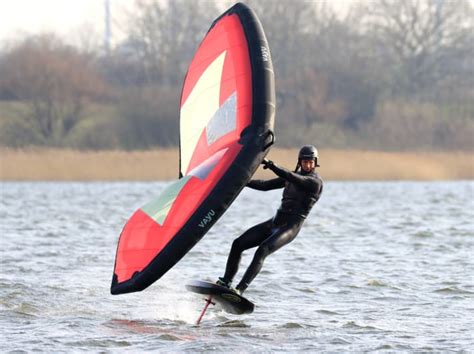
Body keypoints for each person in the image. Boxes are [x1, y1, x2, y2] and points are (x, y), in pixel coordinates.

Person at [217, 145, 323, 295]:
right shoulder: (292, 177)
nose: (308, 164)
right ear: (300, 162)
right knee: (238, 243)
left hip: (289, 228)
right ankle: (226, 282)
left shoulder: (314, 182)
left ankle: (239, 291)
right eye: (305, 161)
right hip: (274, 222)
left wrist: (272, 165)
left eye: (311, 162)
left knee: (262, 250)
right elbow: (265, 185)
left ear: (315, 162)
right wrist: (243, 182)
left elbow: (292, 177)